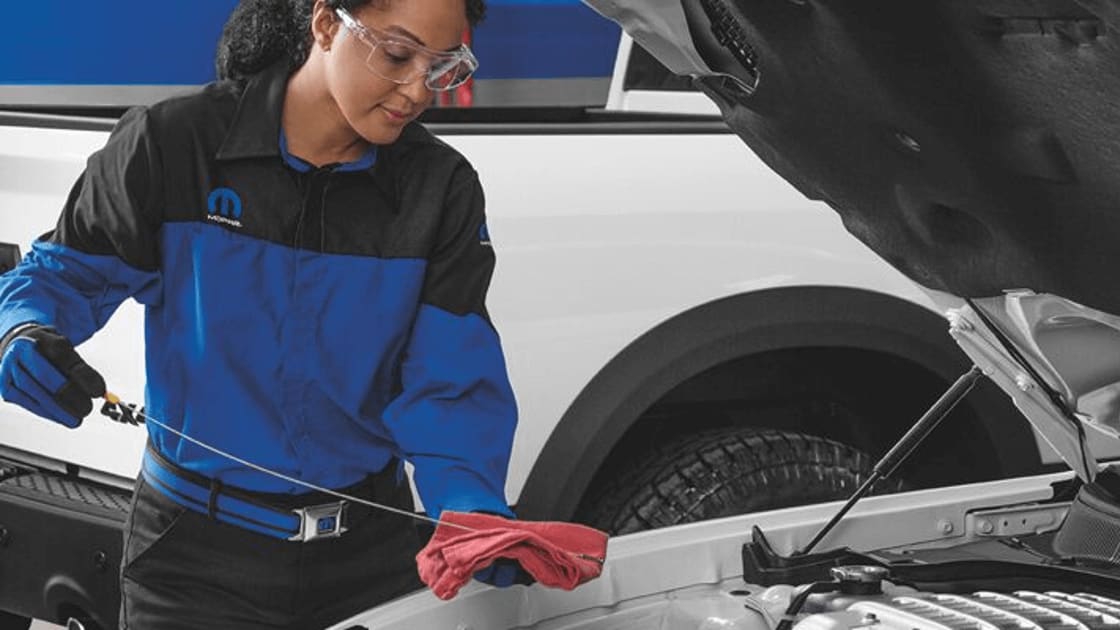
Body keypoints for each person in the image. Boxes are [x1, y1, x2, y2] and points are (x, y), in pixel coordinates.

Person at [0, 0, 531, 627]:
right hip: (193, 566)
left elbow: (450, 377)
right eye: (397, 54)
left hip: (373, 562)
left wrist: (470, 507)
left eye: (441, 67)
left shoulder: (439, 189)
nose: (419, 89)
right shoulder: (174, 145)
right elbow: (61, 275)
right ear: (327, 23)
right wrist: (23, 329)